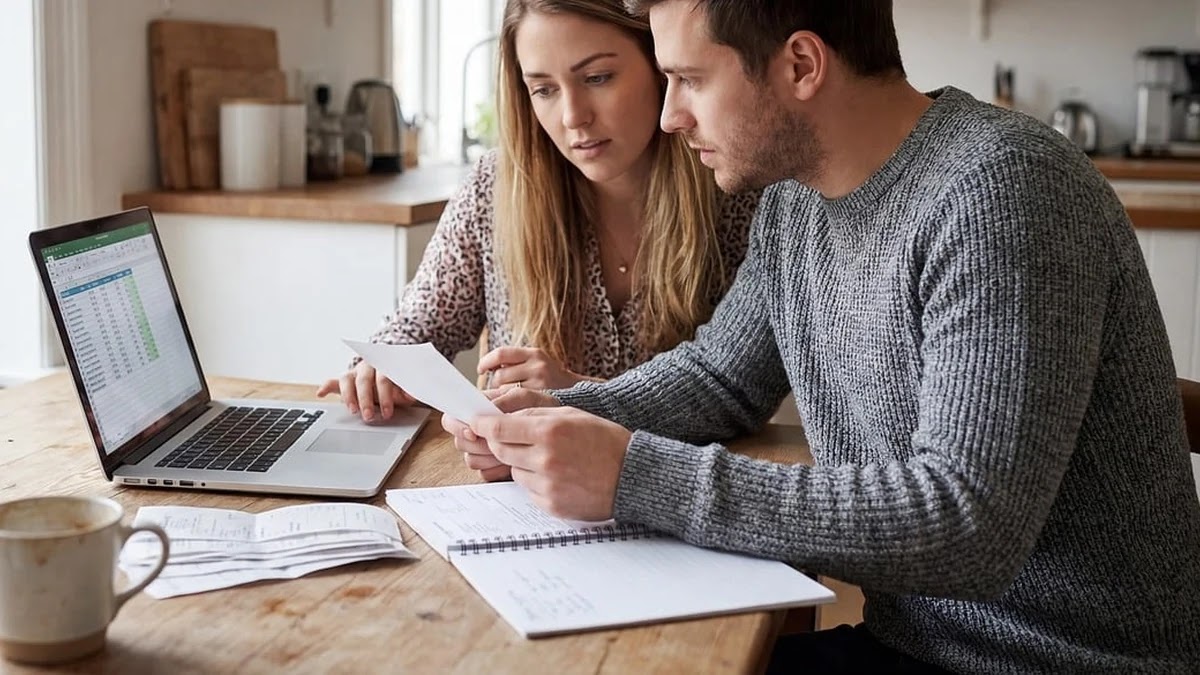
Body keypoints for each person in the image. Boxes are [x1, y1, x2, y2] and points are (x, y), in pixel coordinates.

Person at [444, 0, 1200, 671]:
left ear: (801, 63)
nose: (672, 115)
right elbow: (720, 376)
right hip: (913, 643)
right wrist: (565, 415)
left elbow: (966, 521)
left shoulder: (1004, 191)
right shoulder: (795, 205)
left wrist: (634, 475)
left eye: (691, 79)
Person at [317, 0, 758, 431]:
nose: (573, 117)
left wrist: (573, 393)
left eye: (598, 77)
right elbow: (416, 328)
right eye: (544, 89)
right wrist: (379, 369)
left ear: (660, 64)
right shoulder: (495, 189)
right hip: (510, 488)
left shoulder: (739, 192)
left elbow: (731, 392)